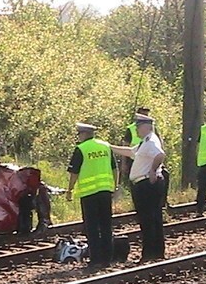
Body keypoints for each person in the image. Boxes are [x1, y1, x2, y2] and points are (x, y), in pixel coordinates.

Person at [111, 114, 166, 261]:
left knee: (148, 219)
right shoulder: (144, 142)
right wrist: (109, 147)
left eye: (138, 127)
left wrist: (153, 170)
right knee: (151, 218)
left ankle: (149, 254)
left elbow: (160, 155)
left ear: (146, 126)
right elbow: (130, 152)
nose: (135, 130)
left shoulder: (151, 141)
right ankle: (155, 252)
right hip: (144, 184)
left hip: (147, 184)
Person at [66, 123, 118, 267]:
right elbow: (115, 169)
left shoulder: (81, 149)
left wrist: (69, 190)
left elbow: (74, 173)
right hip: (106, 191)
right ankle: (107, 259)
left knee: (92, 227)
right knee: (106, 225)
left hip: (89, 194)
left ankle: (95, 259)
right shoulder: (105, 146)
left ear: (83, 134)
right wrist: (115, 185)